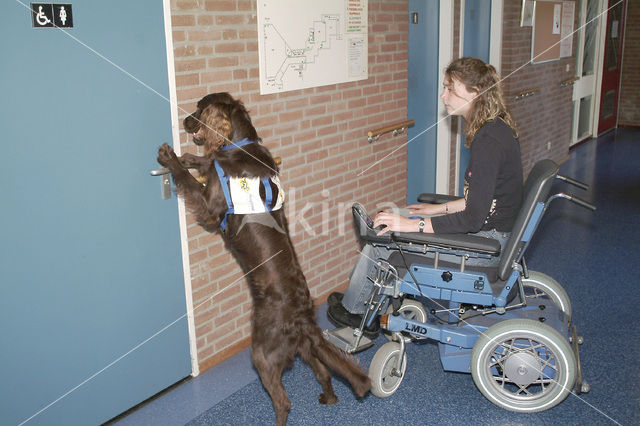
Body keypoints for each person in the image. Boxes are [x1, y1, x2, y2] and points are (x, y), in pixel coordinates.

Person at [327, 57, 524, 337]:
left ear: (475, 92)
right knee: (403, 219)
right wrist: (435, 209)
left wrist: (410, 226)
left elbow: (473, 216)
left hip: (486, 247)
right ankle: (359, 300)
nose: (443, 96)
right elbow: (483, 199)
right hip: (495, 235)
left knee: (382, 238)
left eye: (451, 90)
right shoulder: (496, 129)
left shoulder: (488, 142)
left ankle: (357, 314)